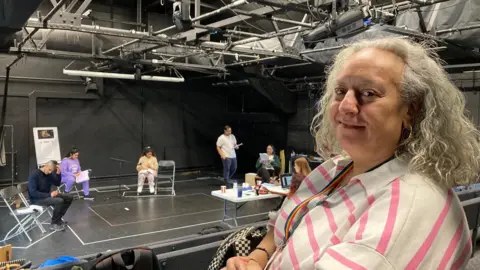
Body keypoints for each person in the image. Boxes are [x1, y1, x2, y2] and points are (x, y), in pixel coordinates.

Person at [223, 37, 480, 270]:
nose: (346, 106)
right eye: (340, 91)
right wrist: (256, 258)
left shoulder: (408, 204)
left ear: (410, 111)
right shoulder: (336, 168)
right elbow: (282, 225)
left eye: (368, 93)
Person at [28, 160, 73, 232]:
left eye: (51, 171)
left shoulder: (48, 174)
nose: (50, 172)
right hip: (37, 199)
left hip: (46, 196)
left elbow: (57, 183)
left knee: (69, 197)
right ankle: (54, 223)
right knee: (59, 201)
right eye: (49, 170)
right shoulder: (34, 175)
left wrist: (58, 173)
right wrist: (50, 194)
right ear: (45, 165)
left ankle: (58, 219)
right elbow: (33, 193)